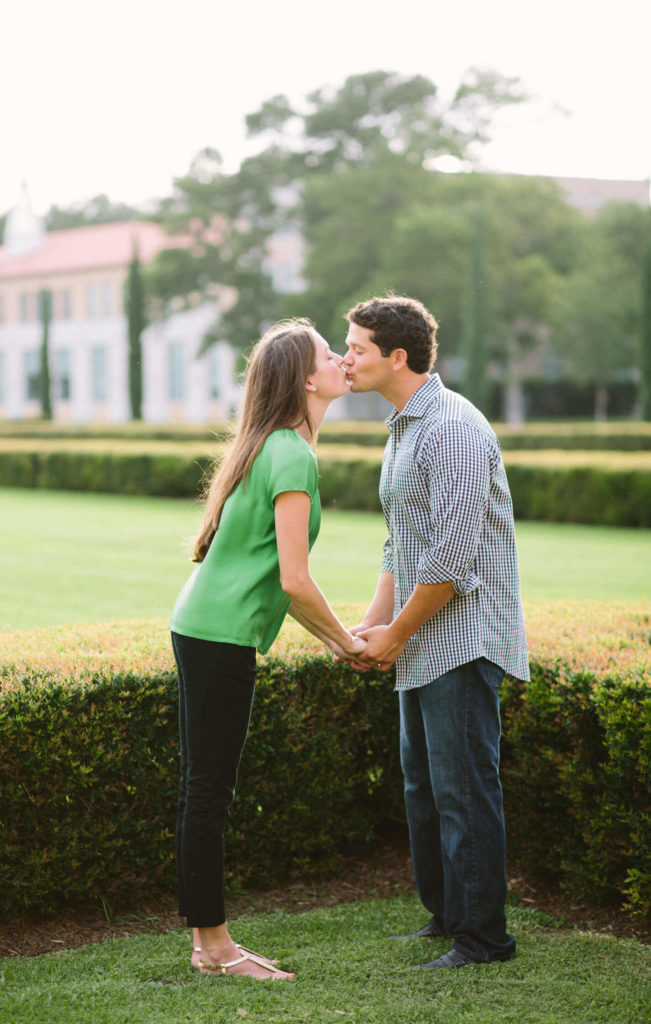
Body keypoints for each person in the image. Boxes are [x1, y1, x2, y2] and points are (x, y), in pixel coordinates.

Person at [169, 318, 367, 980]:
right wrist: (345, 643)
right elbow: (295, 580)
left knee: (204, 788)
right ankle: (214, 949)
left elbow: (286, 583)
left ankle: (210, 943)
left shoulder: (274, 447)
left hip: (203, 625)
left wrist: (337, 639)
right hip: (217, 634)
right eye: (327, 354)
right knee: (209, 793)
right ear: (305, 380)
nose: (342, 359)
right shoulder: (291, 454)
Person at [341, 295, 530, 970]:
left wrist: (394, 636)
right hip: (421, 638)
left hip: (460, 640)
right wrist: (374, 623)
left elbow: (450, 563)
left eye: (356, 347)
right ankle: (446, 918)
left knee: (462, 791)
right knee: (423, 787)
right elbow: (402, 546)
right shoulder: (403, 426)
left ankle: (483, 939)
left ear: (398, 357)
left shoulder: (450, 428)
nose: (345, 358)